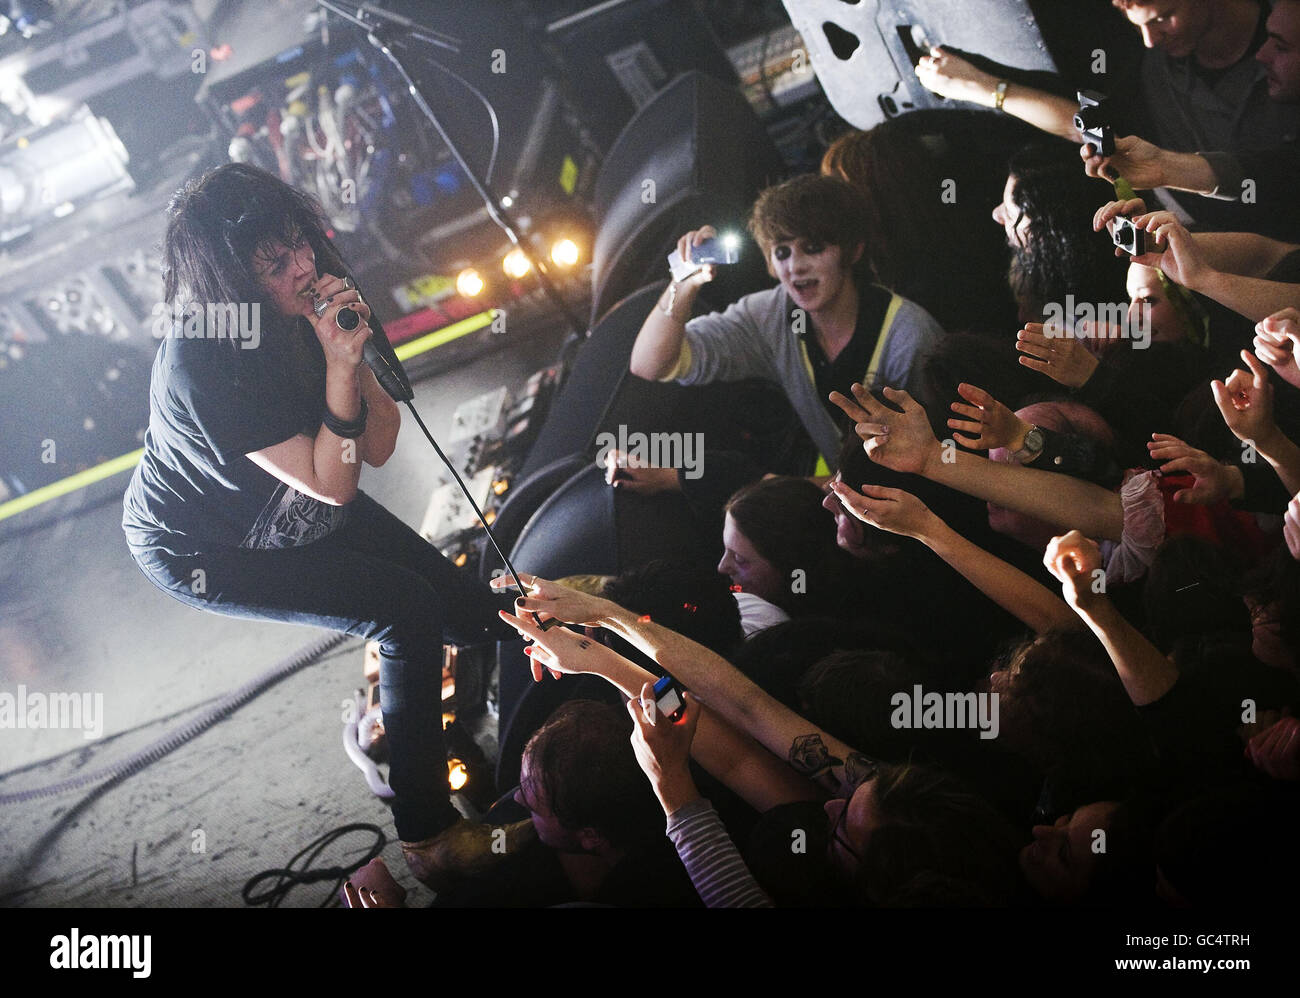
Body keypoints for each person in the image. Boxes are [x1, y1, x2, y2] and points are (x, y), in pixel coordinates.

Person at [120, 163, 526, 889]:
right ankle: (427, 837)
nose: (304, 267)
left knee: (460, 605)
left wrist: (354, 357)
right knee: (403, 613)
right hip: (208, 544)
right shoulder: (202, 364)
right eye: (276, 265)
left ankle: (545, 660)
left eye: (300, 242)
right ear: (232, 283)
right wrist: (339, 368)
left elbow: (377, 444)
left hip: (298, 501)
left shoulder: (321, 296)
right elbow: (334, 486)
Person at [629, 173, 946, 476]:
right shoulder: (768, 315)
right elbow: (650, 364)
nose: (795, 266)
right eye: (782, 252)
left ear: (853, 251)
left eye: (813, 248)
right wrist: (684, 283)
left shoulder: (910, 335)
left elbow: (943, 459)